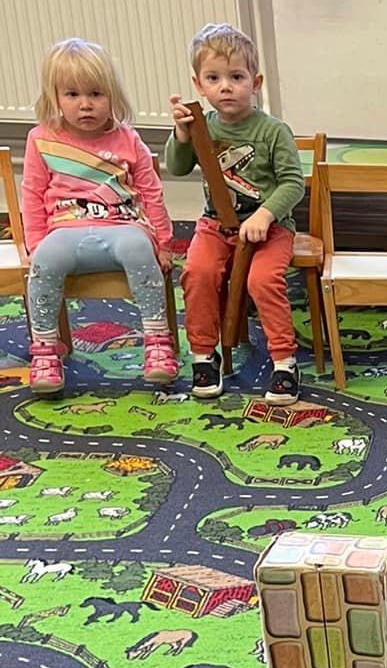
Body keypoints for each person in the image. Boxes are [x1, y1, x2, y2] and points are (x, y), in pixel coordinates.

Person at [20, 39, 176, 394]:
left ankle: (157, 342)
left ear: (112, 96)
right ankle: (45, 350)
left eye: (95, 94)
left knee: (139, 249)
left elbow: (151, 192)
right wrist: (35, 244)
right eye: (72, 94)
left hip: (122, 226)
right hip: (65, 229)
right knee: (45, 260)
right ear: (54, 97)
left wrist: (163, 242)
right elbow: (32, 193)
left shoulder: (128, 139)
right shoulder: (41, 139)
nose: (85, 104)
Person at [165, 23, 305, 404]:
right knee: (197, 273)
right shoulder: (201, 127)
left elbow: (293, 184)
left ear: (255, 82)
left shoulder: (273, 131)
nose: (225, 87)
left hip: (270, 228)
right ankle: (203, 355)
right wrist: (181, 135)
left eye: (236, 77)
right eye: (214, 78)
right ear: (199, 84)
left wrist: (265, 214)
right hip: (216, 224)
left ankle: (284, 361)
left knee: (263, 280)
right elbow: (176, 167)